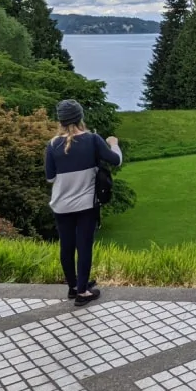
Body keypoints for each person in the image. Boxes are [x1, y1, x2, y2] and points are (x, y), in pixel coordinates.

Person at [45, 99, 123, 307]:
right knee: (84, 245)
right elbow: (115, 161)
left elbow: (50, 177)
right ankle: (83, 292)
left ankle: (73, 286)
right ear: (80, 118)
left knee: (67, 246)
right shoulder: (92, 139)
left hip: (61, 204)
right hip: (86, 204)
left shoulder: (52, 145)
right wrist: (114, 144)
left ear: (60, 120)